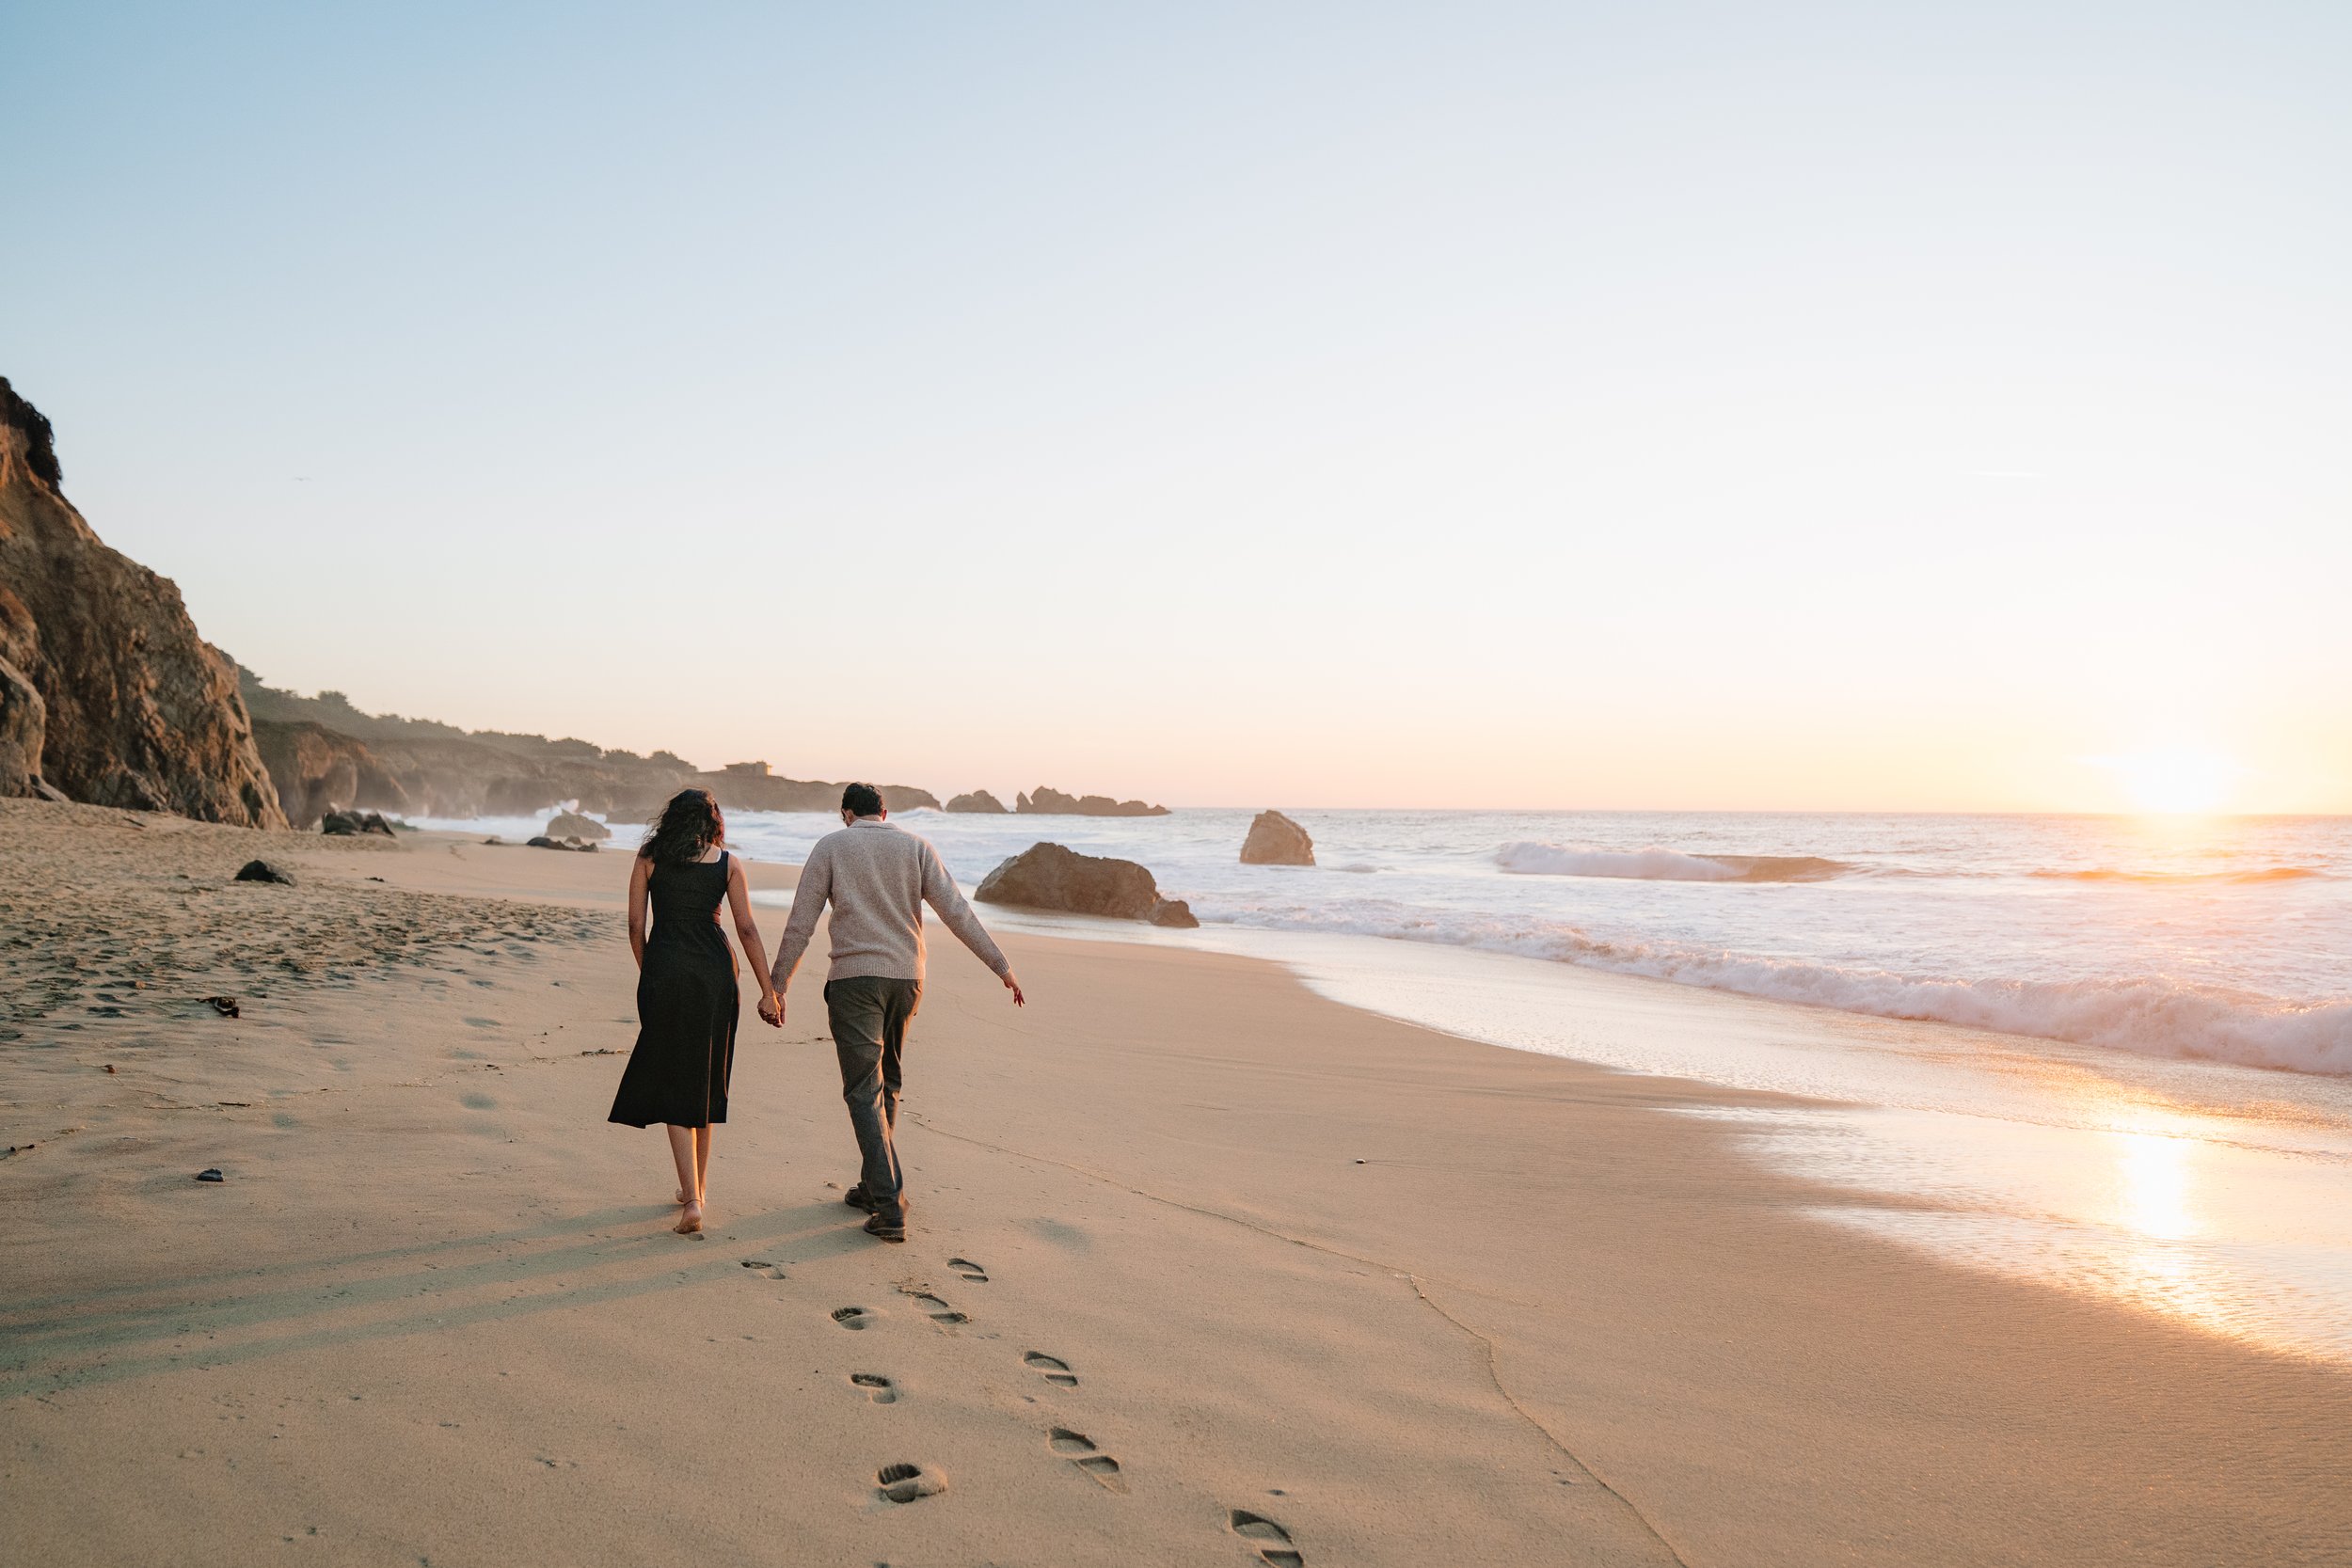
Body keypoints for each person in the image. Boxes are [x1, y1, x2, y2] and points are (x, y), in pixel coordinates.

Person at [765, 782, 1024, 1242]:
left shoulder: (831, 846)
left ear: (846, 813)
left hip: (854, 980)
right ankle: (871, 1186)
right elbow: (957, 911)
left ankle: (889, 1206)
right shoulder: (916, 846)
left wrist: (778, 983)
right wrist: (1001, 966)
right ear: (884, 811)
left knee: (863, 1089)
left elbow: (801, 920)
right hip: (908, 980)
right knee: (889, 1080)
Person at [610, 788, 782, 1233]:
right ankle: (696, 1192)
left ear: (672, 820)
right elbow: (745, 927)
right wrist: (769, 992)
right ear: (713, 823)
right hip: (716, 973)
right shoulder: (727, 863)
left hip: (666, 969)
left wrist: (651, 971)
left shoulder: (649, 857)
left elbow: (634, 924)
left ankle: (692, 1202)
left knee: (673, 1078)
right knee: (707, 1076)